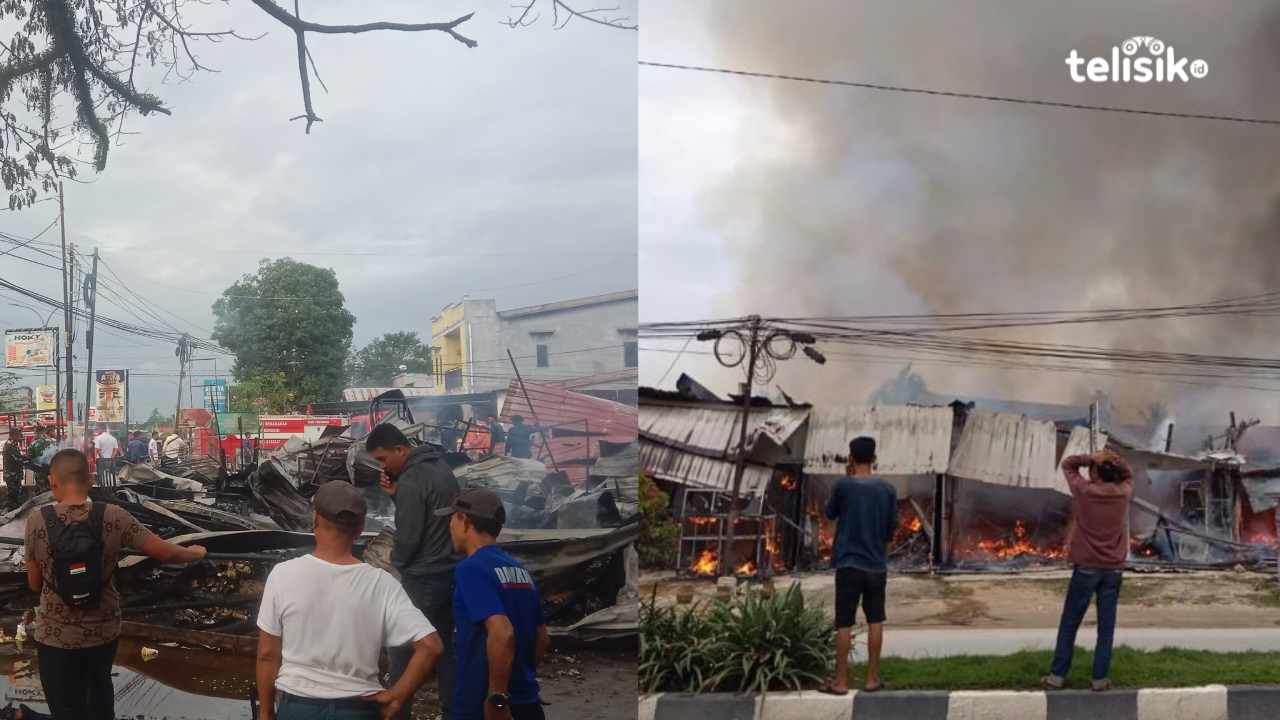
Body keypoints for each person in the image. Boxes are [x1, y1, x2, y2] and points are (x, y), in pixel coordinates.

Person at [25, 449, 207, 720]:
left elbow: (34, 584)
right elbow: (165, 552)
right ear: (90, 480)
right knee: (99, 701)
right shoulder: (113, 516)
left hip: (55, 636)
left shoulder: (37, 520)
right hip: (102, 632)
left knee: (65, 709)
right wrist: (196, 552)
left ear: (52, 482)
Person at [256, 481, 444, 720]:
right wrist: (396, 697)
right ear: (360, 528)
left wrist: (265, 713)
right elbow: (431, 646)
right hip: (358, 710)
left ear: (315, 521)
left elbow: (267, 655)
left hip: (298, 709)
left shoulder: (283, 574)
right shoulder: (381, 583)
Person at [366, 423, 462, 720]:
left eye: (383, 459)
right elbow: (432, 516)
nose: (383, 465)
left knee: (402, 651)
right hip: (448, 572)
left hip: (423, 577)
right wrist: (397, 496)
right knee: (445, 648)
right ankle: (452, 711)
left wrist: (396, 560)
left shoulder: (411, 480)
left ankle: (397, 714)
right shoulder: (441, 468)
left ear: (400, 449)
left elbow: (408, 537)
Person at [439, 488, 549, 720]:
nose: (449, 526)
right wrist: (520, 680)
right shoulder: (519, 571)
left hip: (483, 706)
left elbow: (503, 632)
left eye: (451, 518)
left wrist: (497, 699)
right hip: (527, 702)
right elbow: (541, 637)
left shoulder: (472, 569)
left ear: (465, 520)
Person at [1042, 450, 1135, 692]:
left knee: (1070, 623)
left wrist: (1090, 458)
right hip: (1113, 570)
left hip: (1086, 568)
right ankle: (1099, 679)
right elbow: (1128, 474)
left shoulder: (1085, 491)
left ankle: (1057, 676)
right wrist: (1112, 459)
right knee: (1106, 627)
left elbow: (1068, 464)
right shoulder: (1123, 492)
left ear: (1094, 473)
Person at [820, 436, 897, 695]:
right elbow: (890, 531)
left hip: (848, 564)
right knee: (876, 620)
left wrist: (846, 477)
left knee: (844, 623)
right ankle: (872, 679)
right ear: (874, 458)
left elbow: (829, 514)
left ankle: (840, 682)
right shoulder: (887, 490)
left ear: (851, 458)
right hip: (876, 565)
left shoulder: (843, 485)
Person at [28, 427, 54, 493]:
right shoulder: (52, 441)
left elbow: (29, 457)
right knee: (50, 490)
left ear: (37, 433)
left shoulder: (33, 444)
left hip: (39, 471)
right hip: (50, 471)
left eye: (35, 433)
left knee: (41, 491)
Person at [4, 428, 25, 509]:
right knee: (13, 495)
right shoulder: (9, 445)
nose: (19, 437)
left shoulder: (13, 444)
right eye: (18, 435)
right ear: (13, 435)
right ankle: (11, 511)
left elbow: (18, 457)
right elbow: (16, 459)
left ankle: (15, 509)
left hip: (15, 474)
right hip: (12, 475)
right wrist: (26, 459)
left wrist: (24, 457)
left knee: (16, 494)